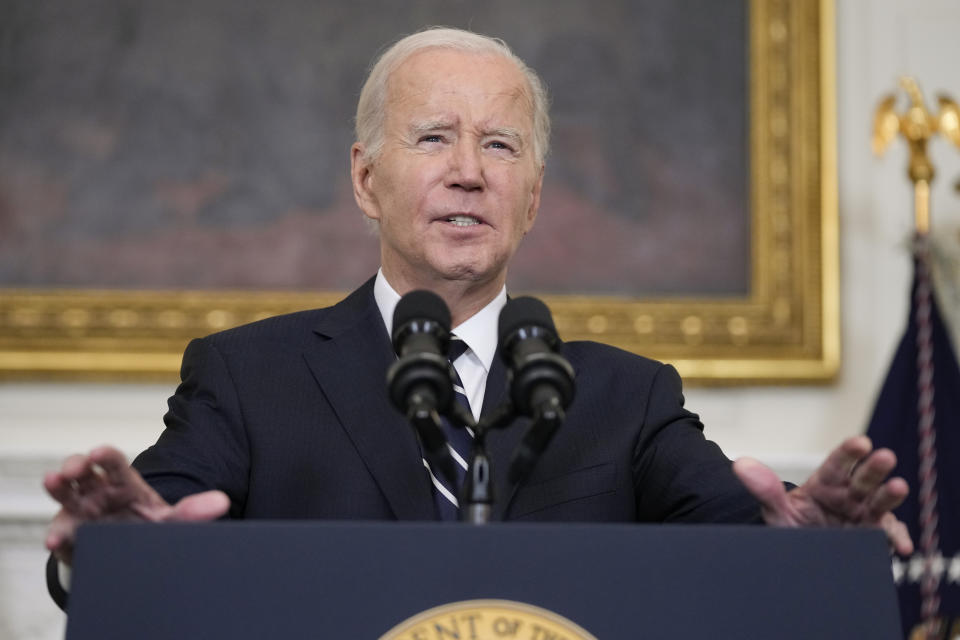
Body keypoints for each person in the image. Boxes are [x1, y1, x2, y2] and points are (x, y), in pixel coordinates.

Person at [43, 27, 912, 609]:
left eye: (500, 146)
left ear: (532, 197)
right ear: (363, 179)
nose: (469, 171)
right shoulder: (249, 375)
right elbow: (155, 520)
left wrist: (807, 547)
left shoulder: (625, 396)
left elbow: (736, 532)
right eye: (432, 138)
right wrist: (118, 553)